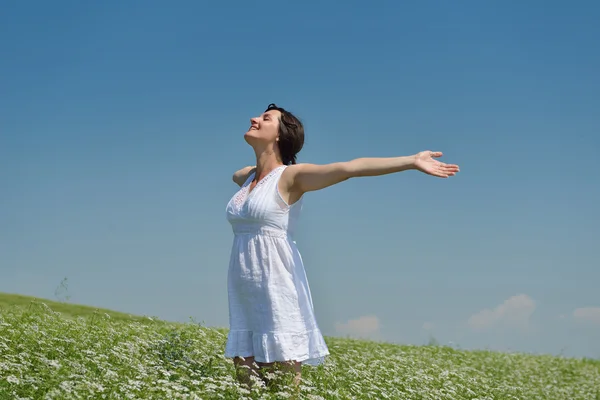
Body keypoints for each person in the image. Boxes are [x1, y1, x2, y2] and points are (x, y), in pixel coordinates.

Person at [225, 103, 460, 388]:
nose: (254, 118)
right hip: (244, 289)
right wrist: (257, 168)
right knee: (245, 385)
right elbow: (238, 175)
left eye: (265, 118)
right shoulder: (247, 177)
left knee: (281, 384)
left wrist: (411, 160)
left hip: (276, 285)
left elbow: (350, 168)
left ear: (280, 135)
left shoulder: (292, 177)